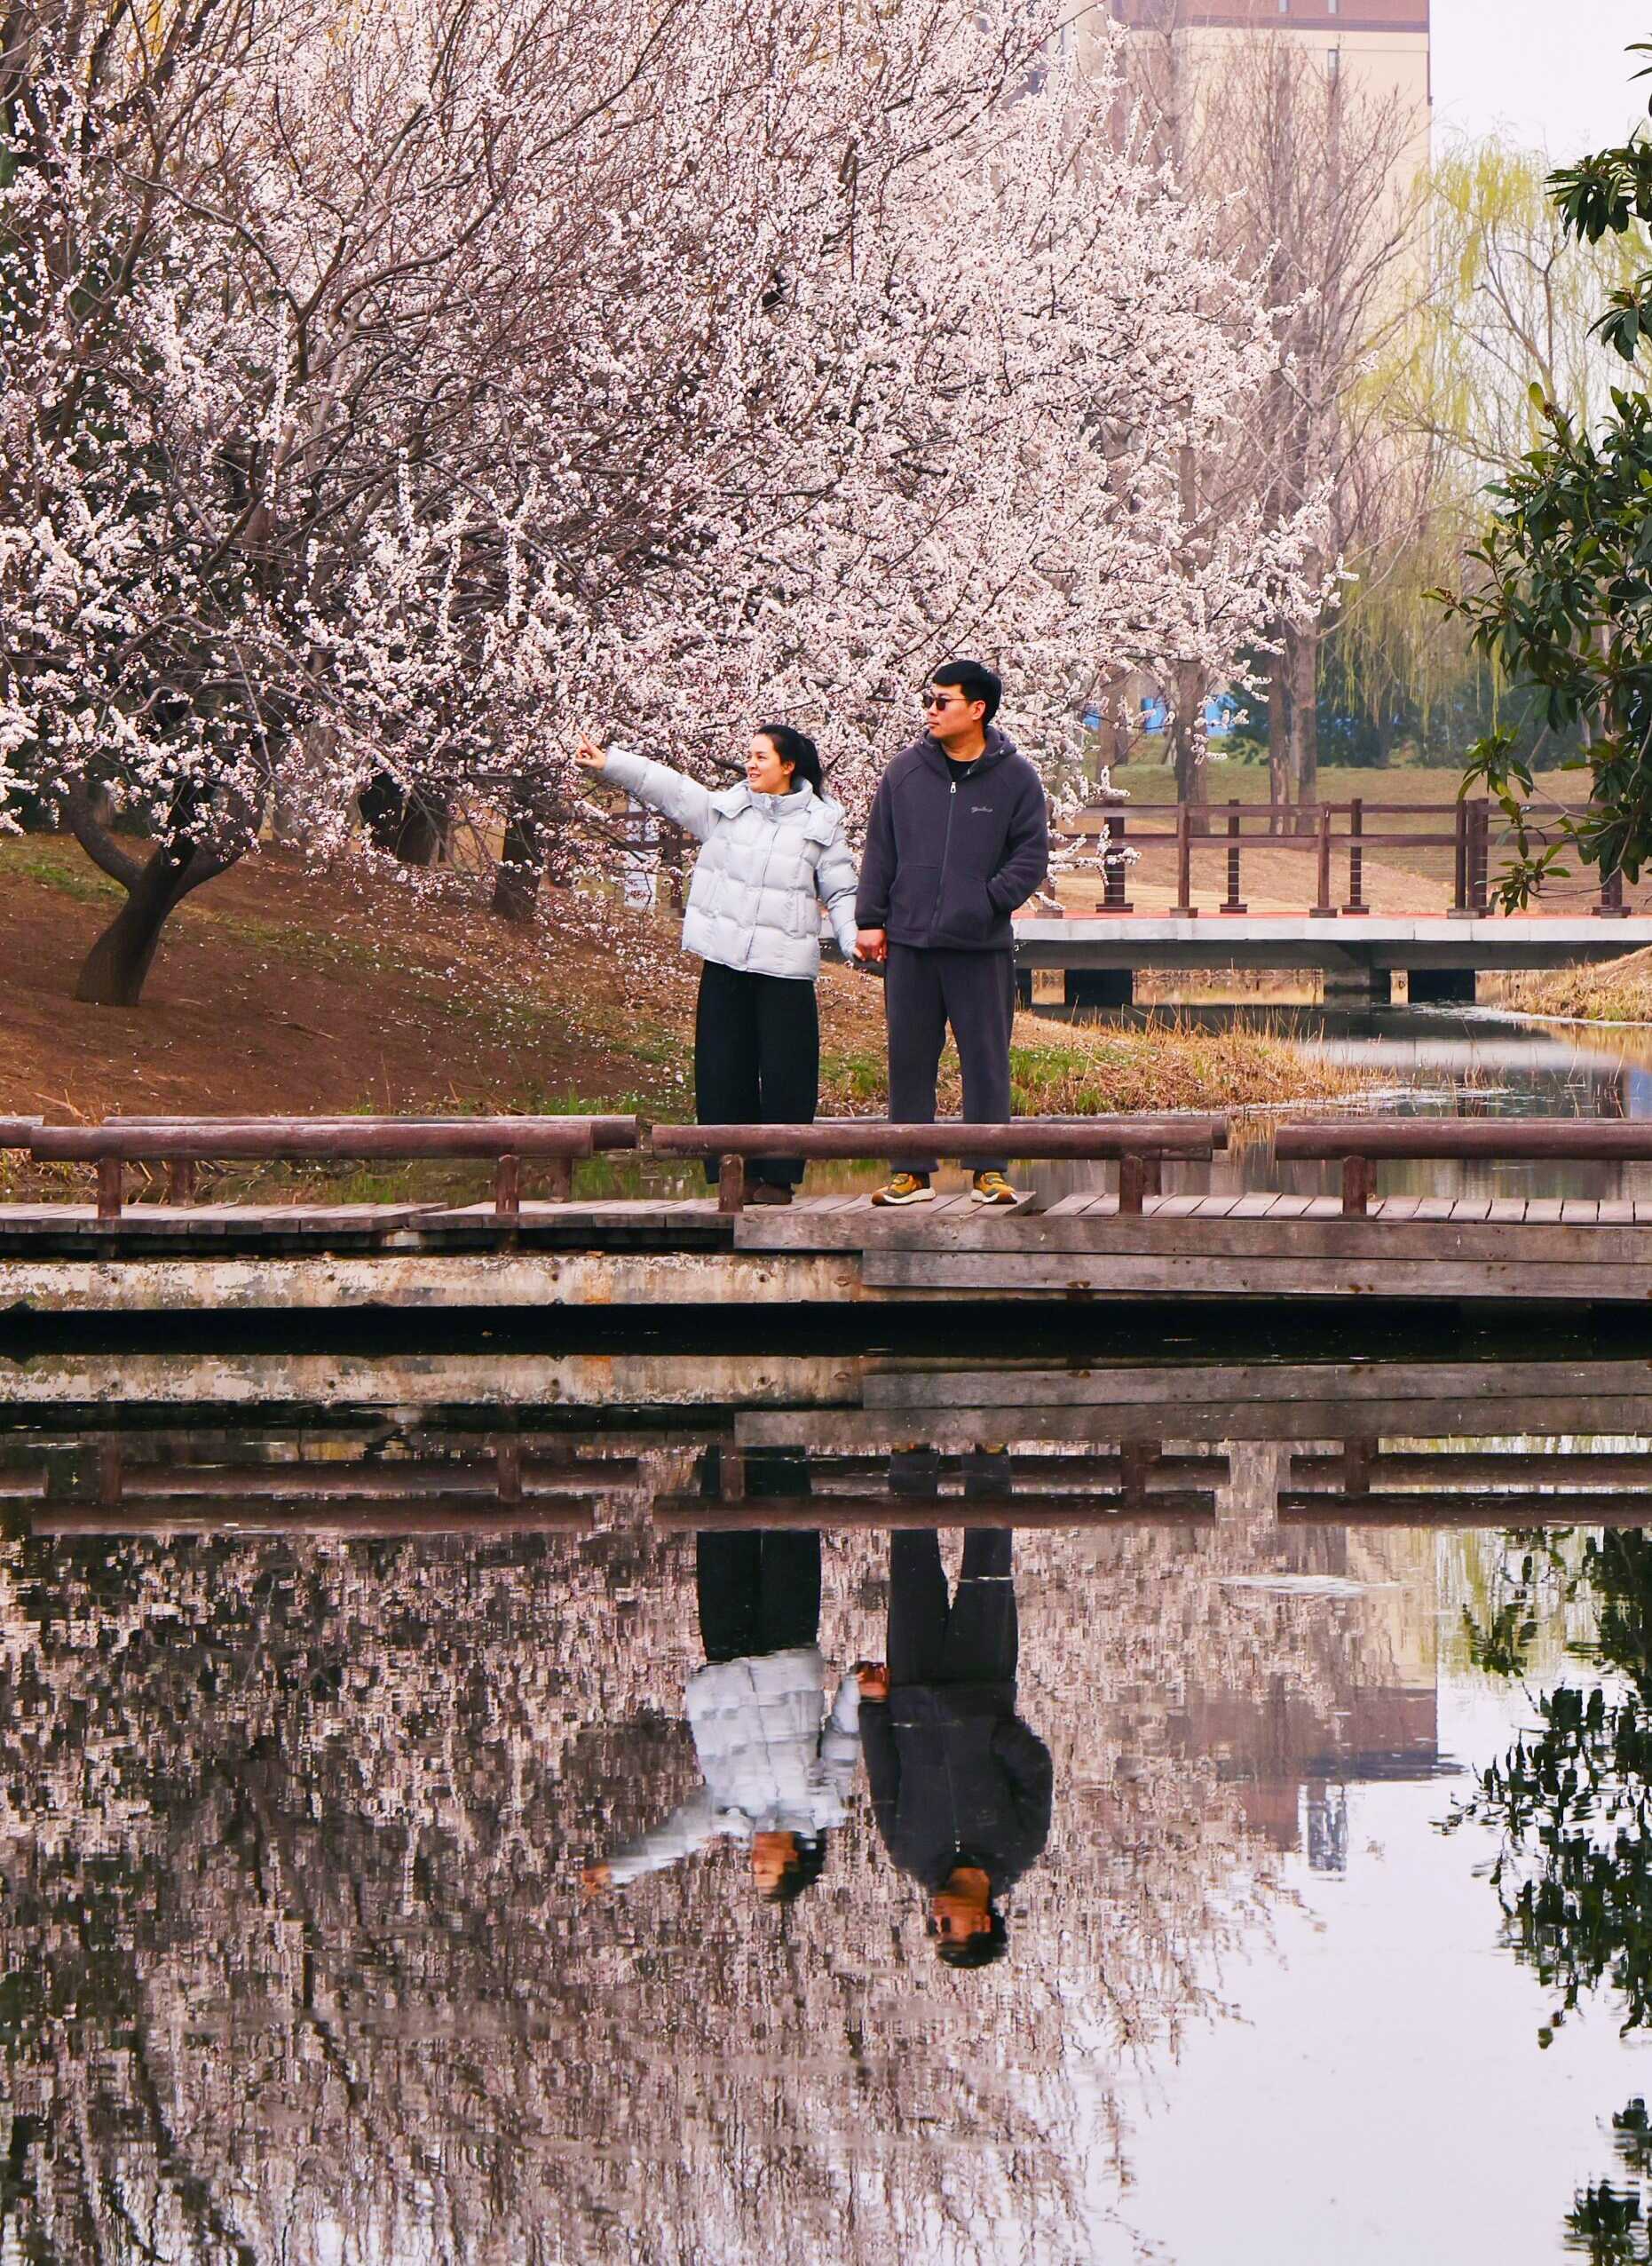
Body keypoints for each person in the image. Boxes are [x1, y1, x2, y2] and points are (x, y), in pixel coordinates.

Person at [577, 723, 860, 1205]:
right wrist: (611, 764)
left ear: (788, 766)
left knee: (787, 1073)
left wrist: (855, 942)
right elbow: (669, 787)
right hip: (726, 960)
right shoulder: (725, 811)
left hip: (786, 969)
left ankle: (778, 1178)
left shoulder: (821, 822)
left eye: (761, 757)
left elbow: (841, 888)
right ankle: (734, 1171)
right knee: (722, 1068)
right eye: (749, 756)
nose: (750, 765)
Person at [581, 1453, 860, 1904]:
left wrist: (621, 1867)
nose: (754, 1863)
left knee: (721, 1542)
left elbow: (675, 1838)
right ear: (793, 1858)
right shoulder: (821, 1804)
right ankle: (784, 1444)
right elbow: (845, 1735)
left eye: (754, 1871)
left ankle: (720, 1449)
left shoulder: (730, 1813)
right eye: (765, 1870)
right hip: (786, 1654)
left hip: (725, 1666)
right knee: (790, 1535)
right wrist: (856, 1688)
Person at [853, 659, 1049, 1208]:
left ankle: (988, 1170)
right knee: (909, 1056)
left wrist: (985, 903)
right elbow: (880, 850)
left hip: (979, 945)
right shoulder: (904, 773)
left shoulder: (1017, 778)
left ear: (978, 709)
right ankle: (910, 1171)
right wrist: (870, 919)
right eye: (929, 700)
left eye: (943, 701)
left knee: (986, 1057)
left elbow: (1030, 856)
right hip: (911, 943)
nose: (931, 711)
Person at [858, 1469, 1051, 1969]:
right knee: (987, 1561)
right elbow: (1035, 1770)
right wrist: (991, 1731)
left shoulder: (910, 1853)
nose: (936, 1919)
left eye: (933, 1929)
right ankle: (990, 1459)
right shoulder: (1019, 1847)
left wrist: (875, 1705)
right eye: (949, 1928)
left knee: (912, 1567)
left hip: (912, 1692)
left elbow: (884, 1772)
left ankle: (909, 1460)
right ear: (984, 1922)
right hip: (980, 1683)